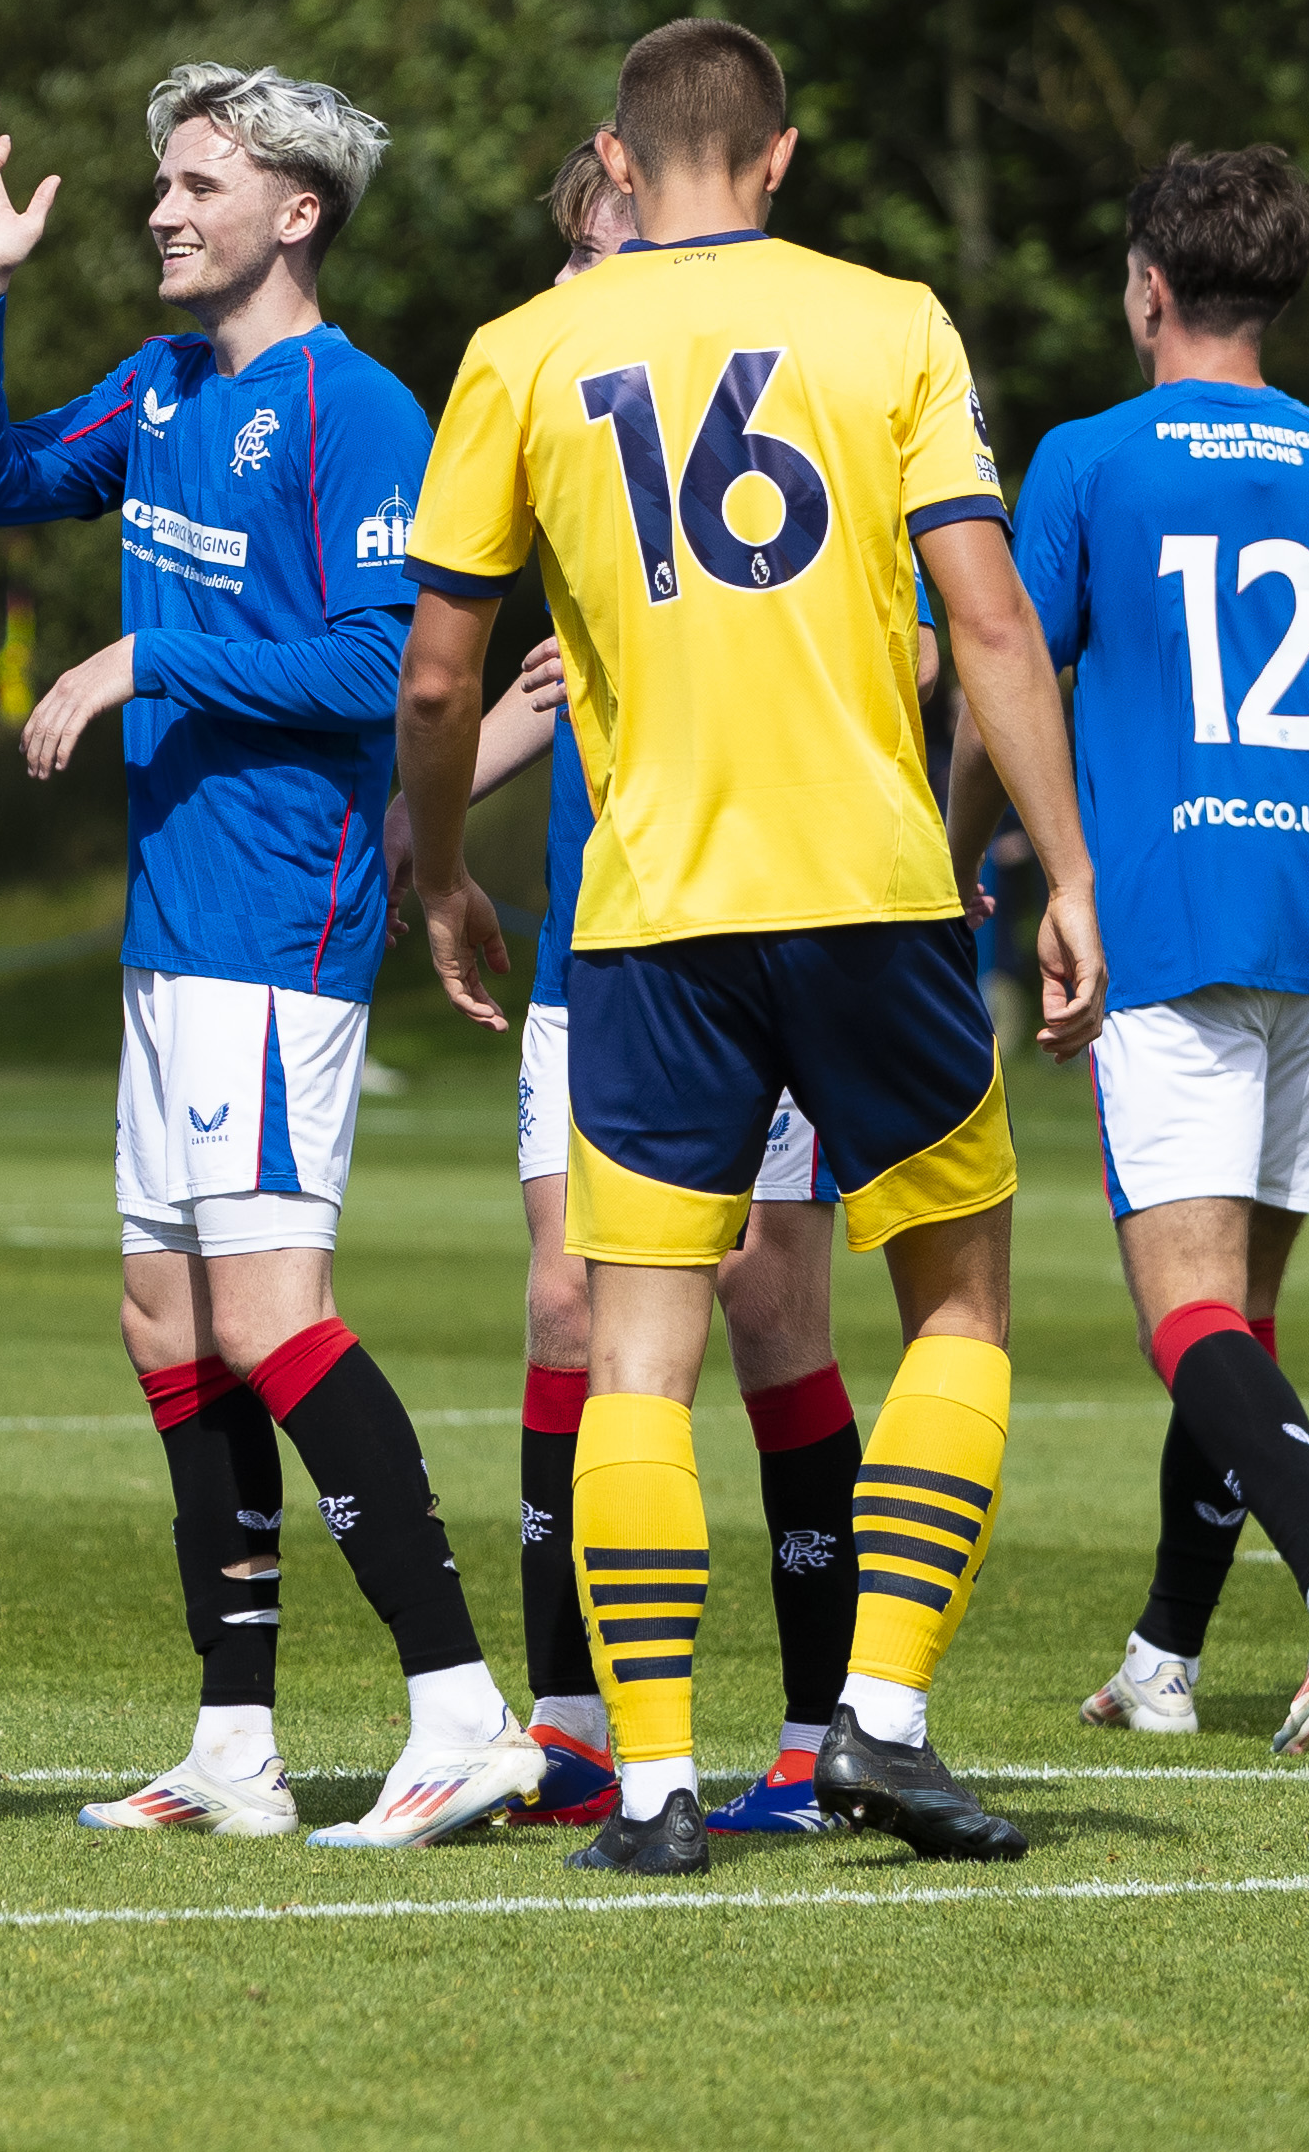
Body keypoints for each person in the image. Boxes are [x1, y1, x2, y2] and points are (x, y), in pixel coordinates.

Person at [402, 17, 1103, 1877]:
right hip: (875, 891)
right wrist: (1068, 874)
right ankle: (879, 1717)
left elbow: (434, 671)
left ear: (617, 169)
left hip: (649, 923)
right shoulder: (896, 321)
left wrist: (440, 868)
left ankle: (648, 1788)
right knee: (956, 1304)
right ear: (779, 157)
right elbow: (997, 624)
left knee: (635, 1355)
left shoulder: (522, 349)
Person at [0, 61, 542, 1852]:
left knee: (271, 1313)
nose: (161, 208)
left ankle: (459, 1712)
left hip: (284, 918)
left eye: (198, 182)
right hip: (178, 918)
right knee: (167, 1316)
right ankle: (233, 1743)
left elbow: (382, 666)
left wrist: (148, 661)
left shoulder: (358, 407)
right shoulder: (169, 383)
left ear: (298, 211)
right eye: (161, 183)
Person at [947, 144, 1309, 1753]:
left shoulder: (1085, 459)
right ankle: (1161, 1659)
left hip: (1168, 914)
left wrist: (956, 865)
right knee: (1239, 1324)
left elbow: (1005, 672)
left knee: (1181, 1317)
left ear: (1145, 285)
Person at [481, 137, 869, 1845]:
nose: (593, 275)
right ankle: (573, 1719)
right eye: (577, 249)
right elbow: (480, 698)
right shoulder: (561, 432)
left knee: (773, 1312)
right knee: (569, 1310)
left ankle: (816, 1724)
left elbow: (915, 637)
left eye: (616, 244)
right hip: (596, 951)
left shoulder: (785, 409)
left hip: (769, 935)